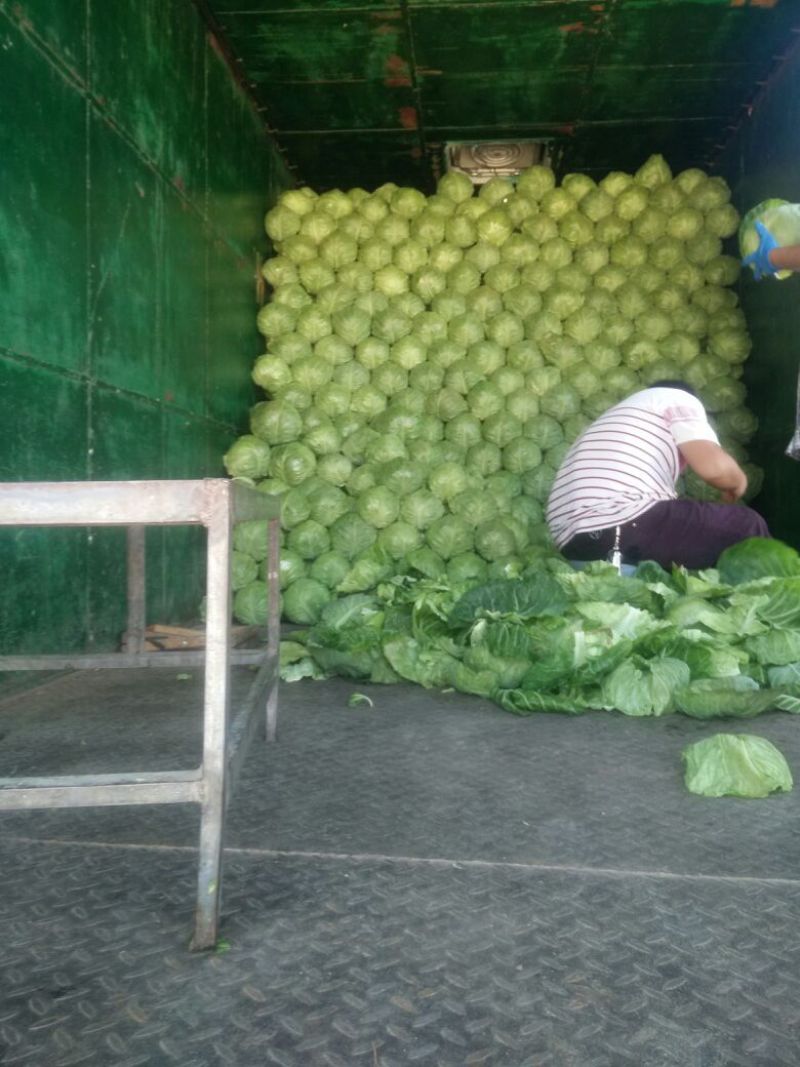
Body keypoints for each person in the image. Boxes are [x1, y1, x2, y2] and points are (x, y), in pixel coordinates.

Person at [545, 380, 770, 570]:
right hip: (621, 520)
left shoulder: (615, 418)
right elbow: (713, 469)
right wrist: (737, 482)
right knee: (746, 525)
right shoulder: (677, 399)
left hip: (575, 545)